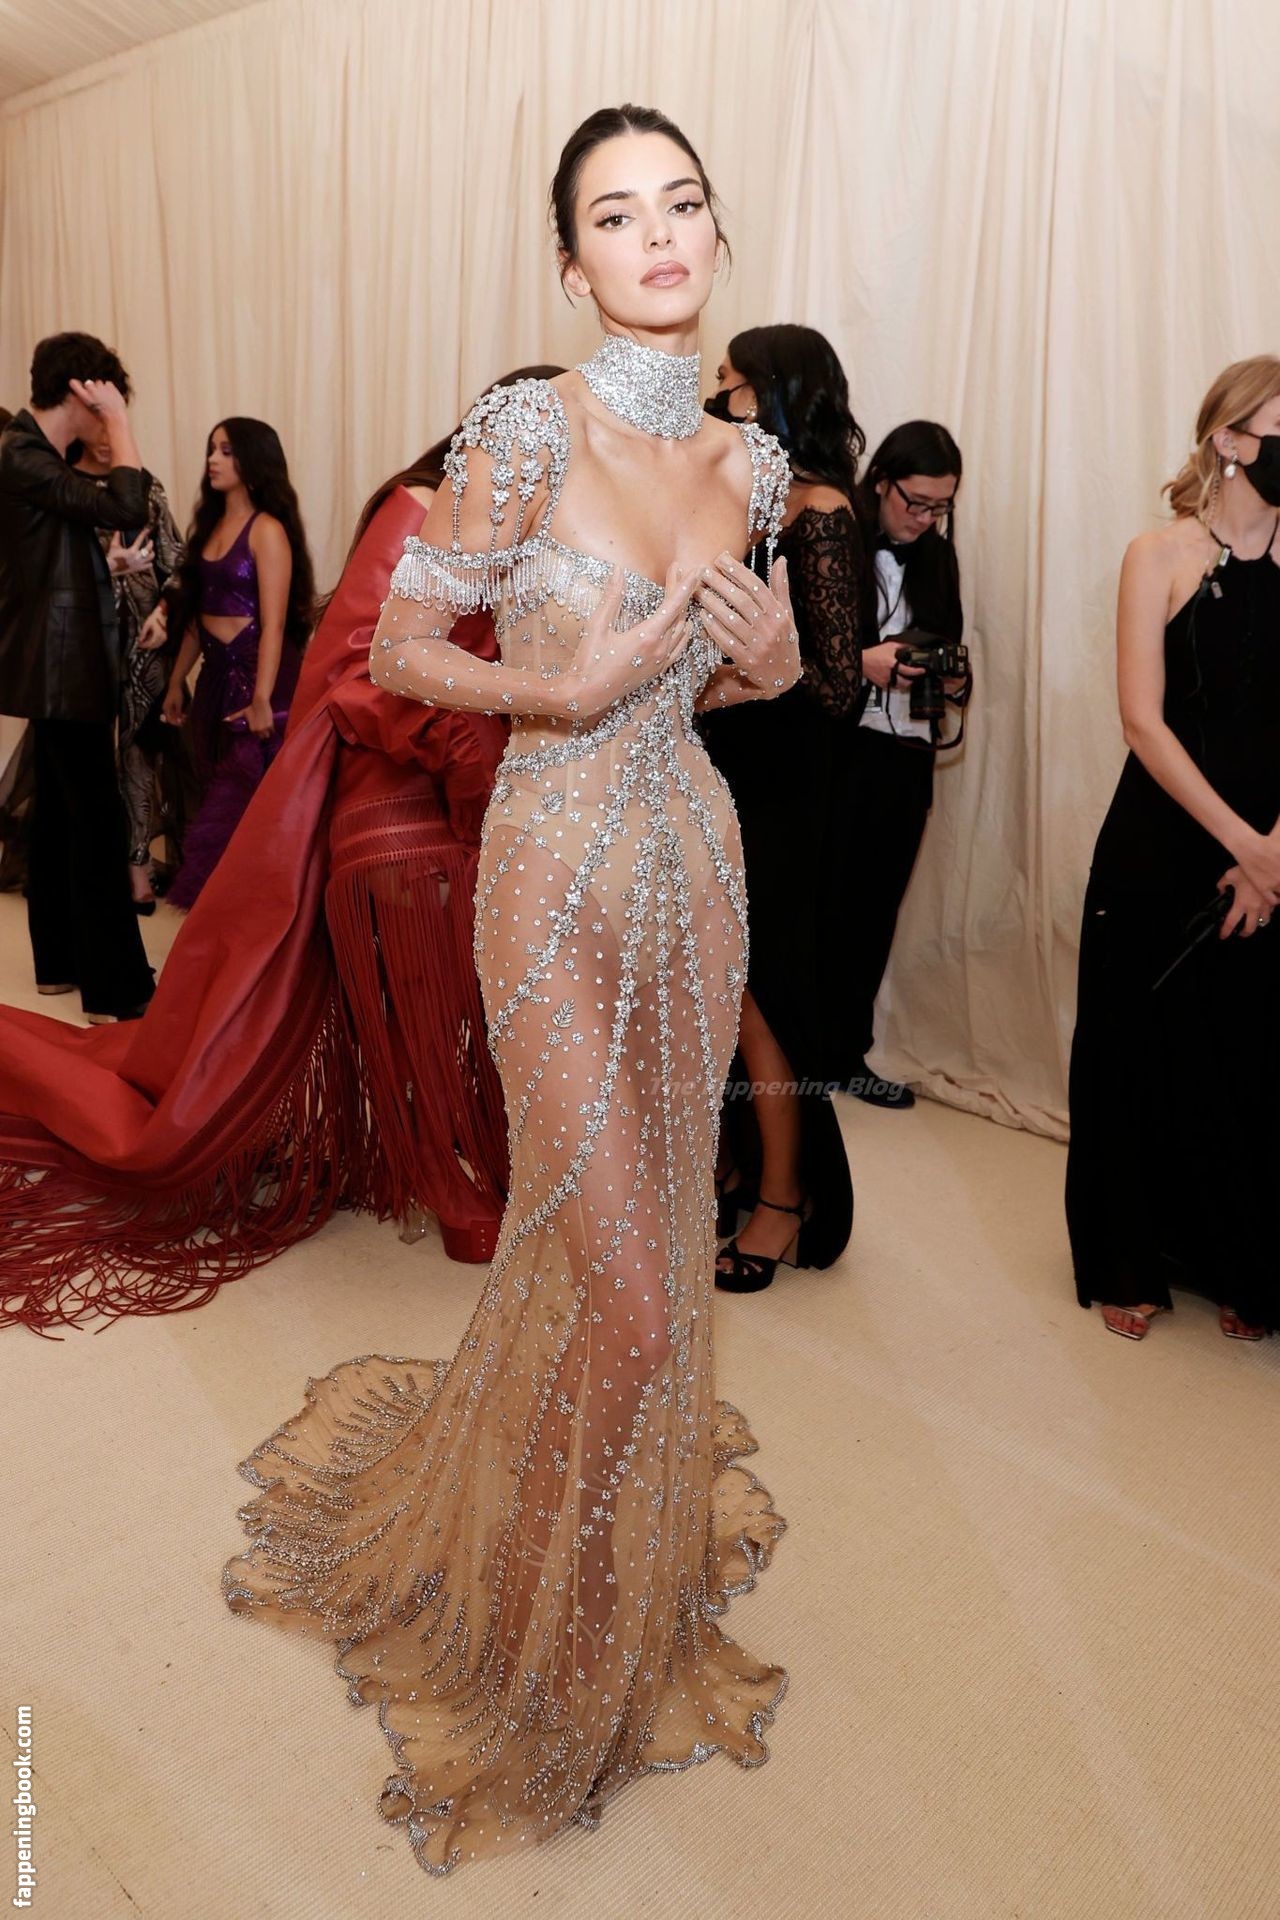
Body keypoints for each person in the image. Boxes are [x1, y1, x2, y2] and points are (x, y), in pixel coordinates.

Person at [222, 104, 798, 1876]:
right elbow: (400, 649)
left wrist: (772, 670)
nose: (659, 235)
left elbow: (717, 682)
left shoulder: (756, 465)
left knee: (644, 1252)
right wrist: (558, 689)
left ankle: (600, 1600)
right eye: (617, 215)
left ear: (716, 231)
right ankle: (530, 1649)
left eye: (682, 202)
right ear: (569, 263)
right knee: (624, 1285)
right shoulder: (525, 430)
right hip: (547, 869)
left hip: (694, 866)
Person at [0, 383, 549, 1331]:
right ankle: (438, 1171)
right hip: (389, 777)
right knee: (410, 964)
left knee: (486, 982)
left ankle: (468, 1151)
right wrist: (465, 745)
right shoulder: (419, 505)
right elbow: (356, 669)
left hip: (469, 787)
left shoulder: (520, 528)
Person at [1067, 354, 1280, 1342]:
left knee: (1248, 1056)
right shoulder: (1156, 556)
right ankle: (1130, 1256)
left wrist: (1272, 855)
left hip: (1272, 849)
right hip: (1162, 842)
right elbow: (1141, 723)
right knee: (1137, 1049)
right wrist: (1244, 845)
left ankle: (1240, 1259)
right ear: (1228, 440)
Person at [701, 324, 865, 1291]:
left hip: (783, 779)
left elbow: (838, 686)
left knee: (762, 999)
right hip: (718, 761)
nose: (715, 393)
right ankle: (735, 1166)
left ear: (769, 392)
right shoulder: (740, 494)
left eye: (728, 380)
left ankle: (784, 1201)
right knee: (713, 987)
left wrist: (732, 685)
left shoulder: (824, 510)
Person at [0, 334, 155, 1022]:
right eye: (110, 398)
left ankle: (60, 965)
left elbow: (40, 554)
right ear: (82, 391)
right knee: (93, 820)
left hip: (55, 659)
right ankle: (118, 990)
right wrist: (118, 424)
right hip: (62, 664)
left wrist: (105, 568)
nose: (113, 414)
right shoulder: (22, 453)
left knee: (61, 818)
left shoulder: (29, 455)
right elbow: (127, 506)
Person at [822, 420, 966, 1106]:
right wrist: (861, 662)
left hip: (906, 754)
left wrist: (953, 679)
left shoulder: (938, 555)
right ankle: (794, 1058)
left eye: (942, 507)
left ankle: (847, 1053)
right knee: (820, 906)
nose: (926, 518)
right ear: (880, 482)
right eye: (917, 502)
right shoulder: (836, 536)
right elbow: (792, 653)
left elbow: (947, 639)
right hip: (837, 749)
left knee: (876, 911)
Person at [160, 418, 314, 907]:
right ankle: (221, 914)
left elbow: (274, 623)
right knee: (213, 786)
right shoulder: (208, 527)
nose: (213, 460)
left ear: (252, 460)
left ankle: (245, 911)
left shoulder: (267, 530)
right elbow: (195, 618)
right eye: (212, 449)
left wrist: (263, 697)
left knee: (246, 801)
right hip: (214, 676)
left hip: (259, 675)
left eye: (226, 451)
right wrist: (176, 681)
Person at [69, 426, 189, 909]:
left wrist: (164, 612)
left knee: (141, 751)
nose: (104, 435)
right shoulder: (63, 487)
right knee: (83, 753)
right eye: (93, 422)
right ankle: (90, 863)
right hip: (82, 644)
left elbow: (178, 564)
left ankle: (138, 865)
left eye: (111, 422)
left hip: (146, 644)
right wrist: (106, 565)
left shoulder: (145, 485)